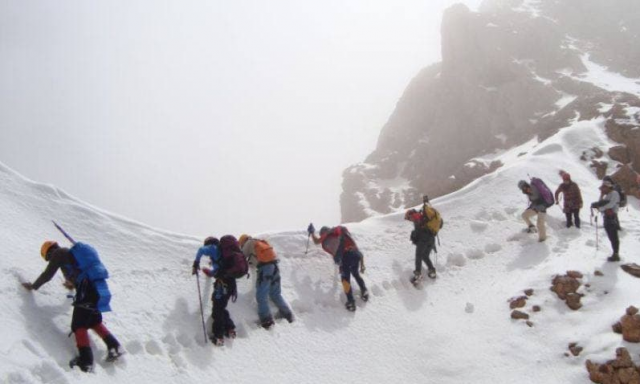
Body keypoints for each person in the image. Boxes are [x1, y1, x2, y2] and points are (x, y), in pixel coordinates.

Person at [22, 241, 122, 372]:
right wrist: (72, 284)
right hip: (97, 289)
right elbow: (78, 275)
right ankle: (114, 347)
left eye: (48, 258)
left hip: (86, 291)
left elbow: (48, 274)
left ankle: (86, 362)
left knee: (78, 325)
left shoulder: (59, 254)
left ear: (49, 252)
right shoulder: (71, 256)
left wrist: (33, 286)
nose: (50, 260)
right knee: (93, 321)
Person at [307, 224, 368, 311]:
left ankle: (351, 302)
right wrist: (362, 263)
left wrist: (312, 232)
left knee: (345, 280)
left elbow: (317, 241)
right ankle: (364, 291)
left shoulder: (329, 234)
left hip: (346, 257)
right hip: (356, 254)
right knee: (355, 274)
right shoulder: (343, 233)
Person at [239, 234, 293, 329]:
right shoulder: (261, 241)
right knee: (275, 294)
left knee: (261, 295)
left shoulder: (248, 243)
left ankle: (266, 320)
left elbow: (240, 257)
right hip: (275, 266)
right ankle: (287, 314)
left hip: (265, 268)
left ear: (242, 241)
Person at [192, 236, 236, 346]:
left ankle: (219, 336)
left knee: (217, 310)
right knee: (220, 307)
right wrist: (210, 273)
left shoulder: (213, 248)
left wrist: (196, 262)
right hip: (231, 284)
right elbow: (218, 270)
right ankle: (230, 329)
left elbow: (201, 250)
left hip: (222, 285)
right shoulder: (223, 256)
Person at [405, 195, 438, 284]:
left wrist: (413, 237)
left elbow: (419, 231)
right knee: (425, 256)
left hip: (424, 240)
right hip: (431, 239)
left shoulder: (417, 217)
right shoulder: (424, 216)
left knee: (418, 256)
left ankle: (418, 275)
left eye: (409, 218)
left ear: (411, 215)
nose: (410, 220)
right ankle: (432, 272)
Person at [591, 180, 622, 262]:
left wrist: (601, 208)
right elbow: (600, 203)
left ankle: (616, 254)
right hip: (607, 217)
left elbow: (610, 205)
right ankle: (615, 253)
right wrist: (601, 196)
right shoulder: (607, 195)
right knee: (611, 236)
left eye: (603, 188)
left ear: (607, 187)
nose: (602, 190)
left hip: (612, 217)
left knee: (613, 236)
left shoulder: (614, 193)